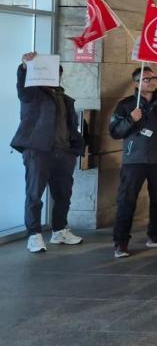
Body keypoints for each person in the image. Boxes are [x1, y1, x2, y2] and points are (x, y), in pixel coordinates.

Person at [13, 52, 85, 253]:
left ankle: (59, 230)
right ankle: (34, 235)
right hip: (39, 152)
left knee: (63, 194)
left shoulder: (64, 97)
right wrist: (25, 68)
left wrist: (74, 148)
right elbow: (22, 88)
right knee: (34, 194)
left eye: (55, 73)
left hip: (64, 152)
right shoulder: (32, 94)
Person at [109, 66, 157, 258]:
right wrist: (131, 120)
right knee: (126, 201)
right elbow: (114, 131)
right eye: (146, 79)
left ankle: (156, 236)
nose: (151, 81)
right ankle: (121, 242)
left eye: (153, 78)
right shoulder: (126, 105)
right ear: (137, 83)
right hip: (134, 160)